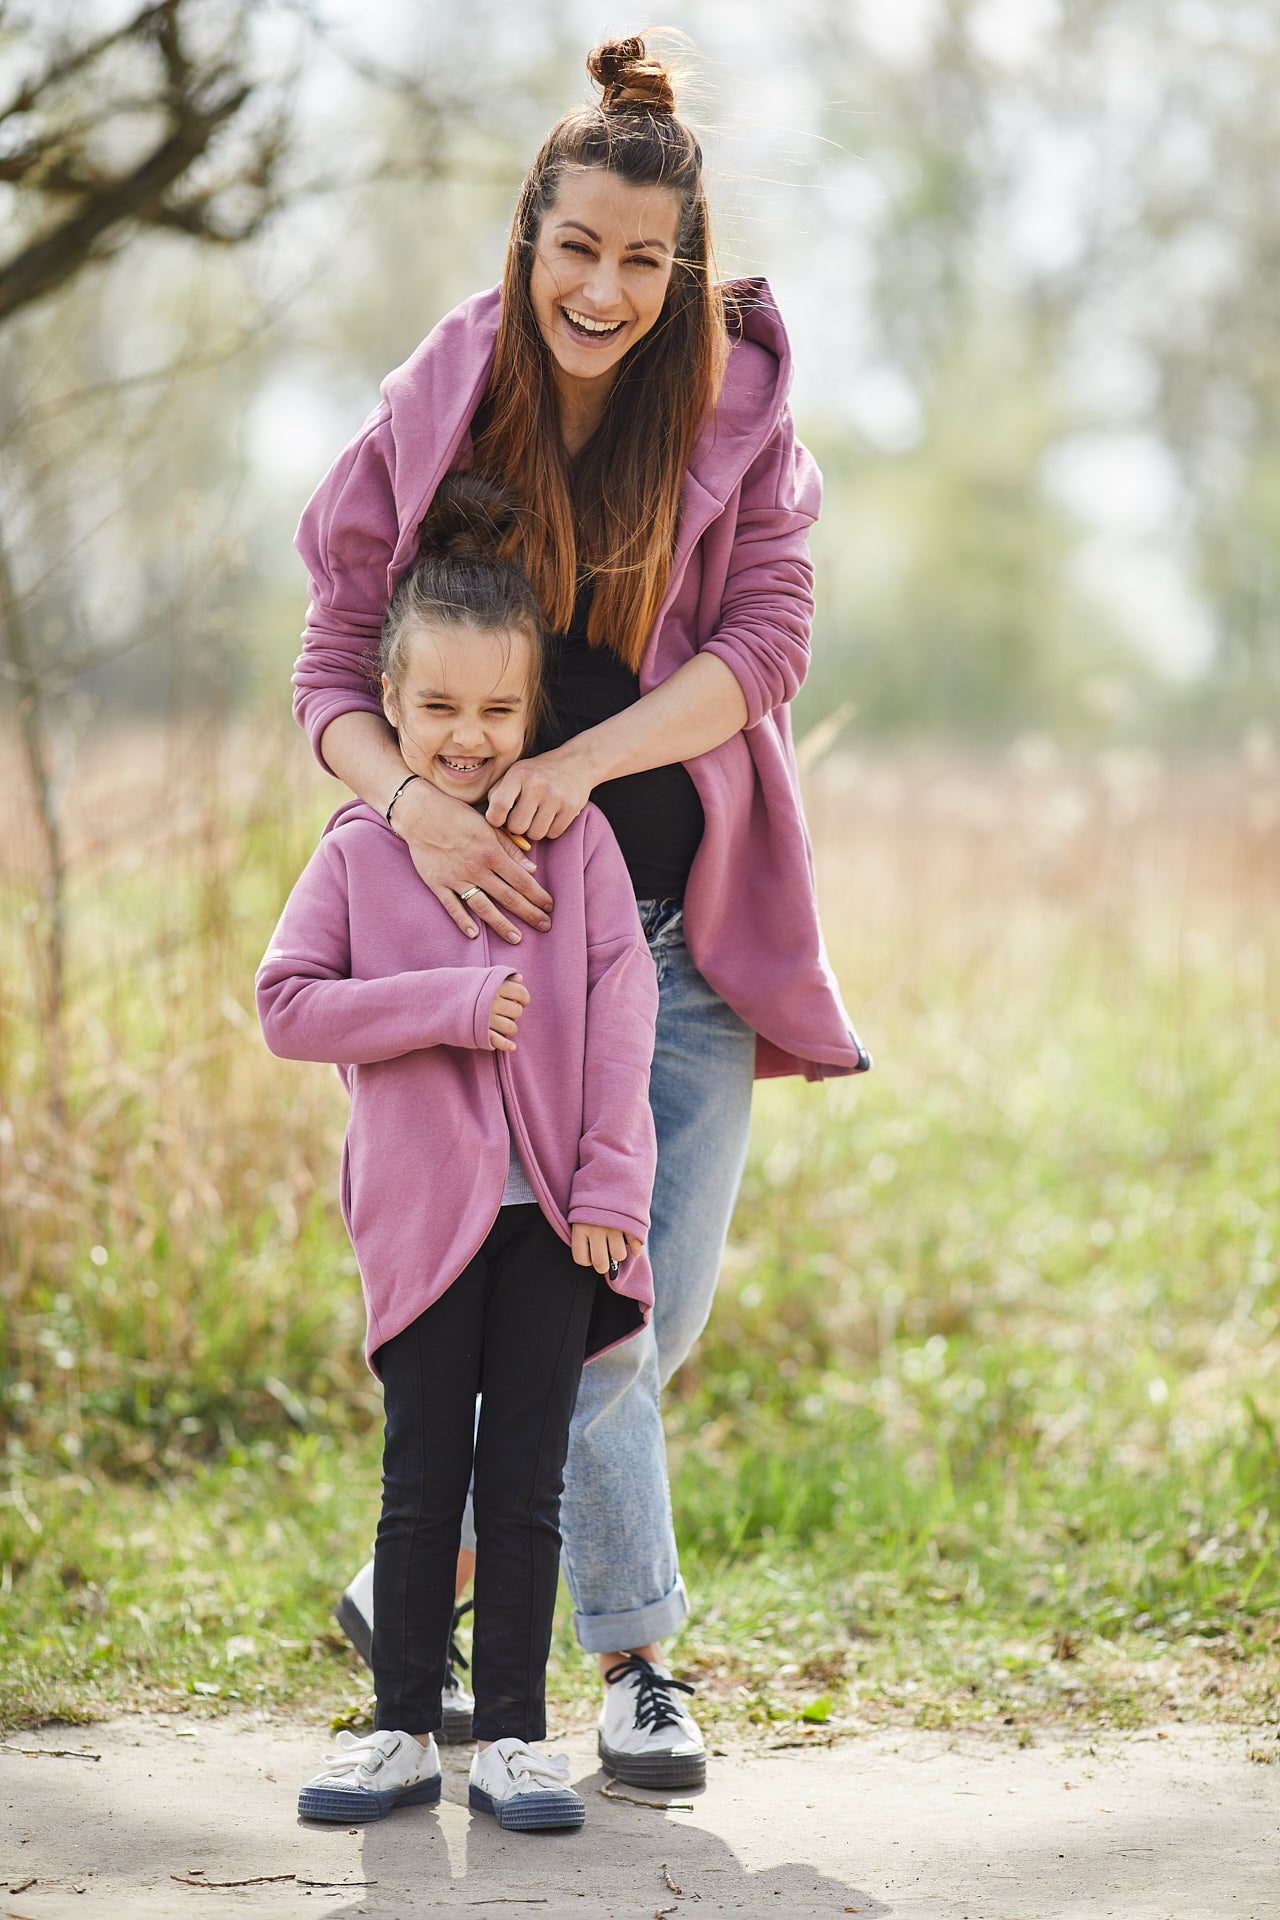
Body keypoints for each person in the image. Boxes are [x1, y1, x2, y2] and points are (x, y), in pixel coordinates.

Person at [291, 34, 871, 1793]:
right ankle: (636, 1668)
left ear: (681, 269)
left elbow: (764, 650)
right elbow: (333, 666)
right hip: (480, 949)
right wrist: (412, 807)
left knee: (644, 1301)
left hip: (677, 937)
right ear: (525, 238)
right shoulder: (436, 404)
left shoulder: (741, 418)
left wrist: (586, 755)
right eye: (575, 251)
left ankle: (430, 1585)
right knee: (568, 1304)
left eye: (641, 261)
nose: (603, 291)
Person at [258, 475, 659, 1831]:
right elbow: (288, 1004)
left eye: (497, 712)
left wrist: (610, 1184)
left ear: (531, 709)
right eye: (437, 710)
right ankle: (396, 1734)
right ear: (392, 701)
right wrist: (438, 1007)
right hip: (424, 1217)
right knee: (423, 1475)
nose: (469, 738)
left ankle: (514, 1741)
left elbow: (622, 1013)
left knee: (527, 1480)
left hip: (551, 1215)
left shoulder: (581, 842)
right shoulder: (364, 851)